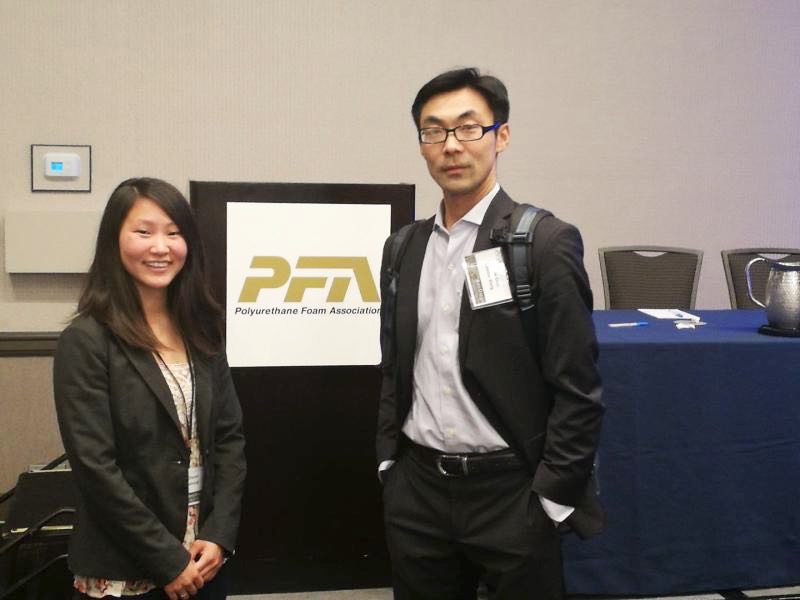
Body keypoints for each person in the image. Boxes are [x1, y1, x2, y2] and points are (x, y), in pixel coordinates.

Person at [377, 68, 604, 599]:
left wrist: (551, 497)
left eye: (468, 127)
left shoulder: (543, 243)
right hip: (418, 492)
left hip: (512, 493)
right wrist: (389, 462)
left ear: (501, 136)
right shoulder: (403, 248)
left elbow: (578, 388)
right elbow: (394, 365)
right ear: (422, 144)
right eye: (434, 131)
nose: (451, 145)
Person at [53, 177, 246, 600]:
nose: (161, 247)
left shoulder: (202, 330)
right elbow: (95, 468)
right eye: (144, 232)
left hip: (204, 556)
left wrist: (220, 533)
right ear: (114, 240)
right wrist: (167, 559)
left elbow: (229, 438)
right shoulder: (86, 341)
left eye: (173, 233)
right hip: (126, 565)